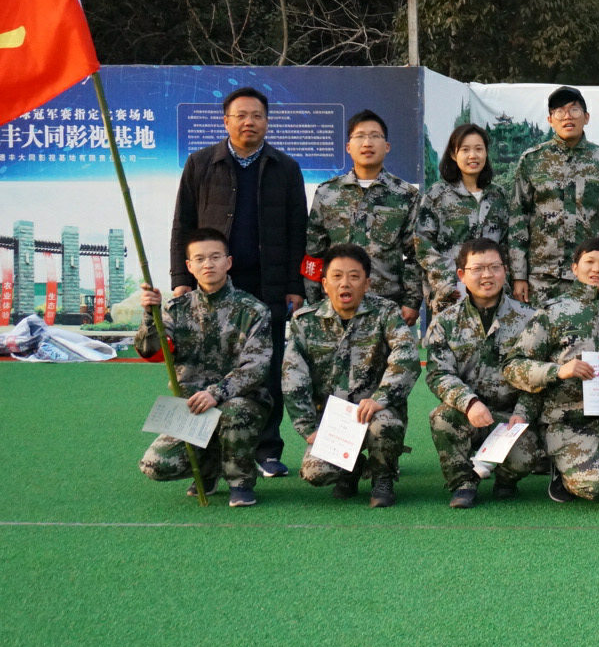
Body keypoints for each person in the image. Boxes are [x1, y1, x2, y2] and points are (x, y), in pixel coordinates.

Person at [169, 85, 307, 478]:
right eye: (241, 115)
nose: (250, 122)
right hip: (212, 285)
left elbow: (299, 231)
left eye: (257, 115)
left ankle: (267, 450)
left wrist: (295, 285)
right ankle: (204, 451)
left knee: (268, 367)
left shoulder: (285, 167)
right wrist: (181, 278)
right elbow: (183, 225)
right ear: (226, 120)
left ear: (267, 121)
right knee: (205, 367)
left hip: (268, 284)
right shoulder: (201, 163)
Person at [501, 238, 599, 505]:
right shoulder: (553, 312)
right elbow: (514, 366)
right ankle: (563, 468)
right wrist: (558, 371)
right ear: (575, 268)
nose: (596, 269)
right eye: (589, 262)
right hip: (565, 419)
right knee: (596, 487)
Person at [135, 228, 272, 508]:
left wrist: (216, 393)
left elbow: (255, 367)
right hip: (192, 408)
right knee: (155, 465)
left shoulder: (254, 310)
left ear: (228, 262)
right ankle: (210, 467)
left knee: (235, 410)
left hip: (240, 402)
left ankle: (240, 480)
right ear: (189, 266)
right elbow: (151, 351)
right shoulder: (175, 309)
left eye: (215, 257)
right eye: (199, 259)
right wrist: (150, 315)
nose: (208, 264)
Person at [283, 244, 419, 507]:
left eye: (354, 276)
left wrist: (380, 398)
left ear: (366, 283)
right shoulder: (305, 321)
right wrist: (309, 429)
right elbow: (292, 377)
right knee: (315, 472)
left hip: (375, 412)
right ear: (325, 284)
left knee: (385, 424)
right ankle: (351, 468)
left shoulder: (386, 312)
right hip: (332, 421)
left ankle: (383, 477)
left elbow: (407, 357)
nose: (345, 283)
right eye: (336, 276)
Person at [423, 238, 541, 508]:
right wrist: (469, 402)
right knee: (441, 417)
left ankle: (506, 479)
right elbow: (438, 374)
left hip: (510, 416)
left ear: (505, 271)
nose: (487, 275)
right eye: (477, 269)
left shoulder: (531, 319)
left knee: (526, 456)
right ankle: (463, 482)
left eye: (494, 267)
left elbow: (537, 374)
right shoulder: (445, 322)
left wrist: (522, 413)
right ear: (462, 275)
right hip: (467, 413)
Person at [305, 109, 422, 323]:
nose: (367, 143)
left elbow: (416, 254)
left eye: (375, 136)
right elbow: (314, 252)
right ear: (348, 147)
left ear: (387, 146)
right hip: (335, 305)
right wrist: (314, 302)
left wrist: (412, 302)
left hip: (387, 308)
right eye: (359, 136)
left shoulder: (405, 195)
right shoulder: (327, 193)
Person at [509, 87, 599, 306]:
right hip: (542, 277)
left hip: (590, 275)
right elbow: (518, 219)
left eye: (574, 110)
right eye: (559, 111)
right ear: (550, 120)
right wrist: (519, 275)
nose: (567, 116)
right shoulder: (532, 160)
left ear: (586, 117)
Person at [416, 122, 513, 313]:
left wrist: (504, 281)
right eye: (465, 149)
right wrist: (446, 283)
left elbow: (506, 244)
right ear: (454, 155)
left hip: (493, 294)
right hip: (452, 295)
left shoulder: (498, 196)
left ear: (486, 153)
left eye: (479, 149)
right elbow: (423, 244)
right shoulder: (437, 195)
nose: (473, 155)